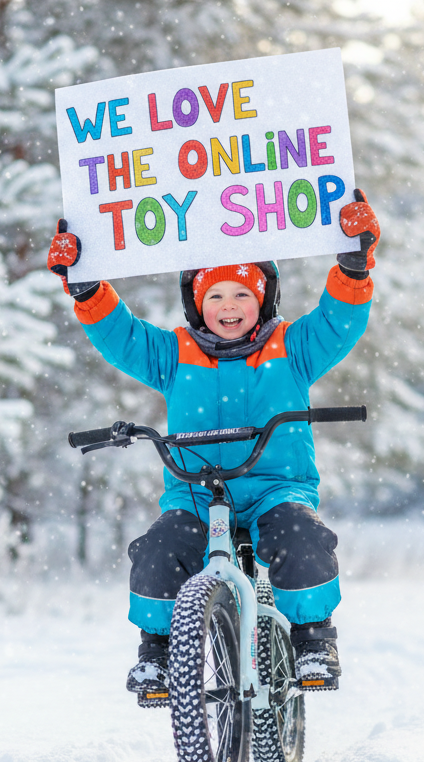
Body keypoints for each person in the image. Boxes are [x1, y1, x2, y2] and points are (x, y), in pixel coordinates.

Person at [48, 190, 379, 695]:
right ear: (198, 304)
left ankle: (313, 637)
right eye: (216, 295)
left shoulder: (292, 347)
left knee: (302, 537)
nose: (229, 306)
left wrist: (353, 268)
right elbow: (123, 337)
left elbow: (338, 322)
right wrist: (88, 289)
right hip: (197, 494)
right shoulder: (173, 354)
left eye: (242, 294)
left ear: (262, 300)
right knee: (159, 548)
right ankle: (158, 650)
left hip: (275, 488)